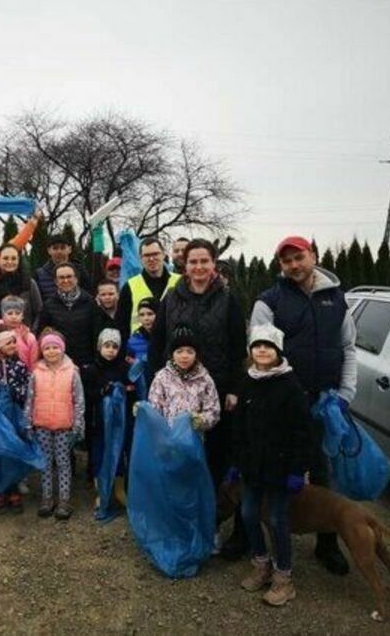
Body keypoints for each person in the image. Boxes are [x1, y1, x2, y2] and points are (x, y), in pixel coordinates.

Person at [250, 235, 356, 576]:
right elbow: (260, 353)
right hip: (283, 402)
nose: (294, 265)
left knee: (323, 471)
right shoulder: (270, 301)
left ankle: (327, 543)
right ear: (280, 266)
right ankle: (276, 533)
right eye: (286, 261)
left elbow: (349, 348)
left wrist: (345, 393)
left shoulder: (337, 300)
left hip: (325, 401)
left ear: (313, 256)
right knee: (279, 466)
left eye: (299, 258)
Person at [148, 238, 246, 556]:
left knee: (213, 461)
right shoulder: (172, 298)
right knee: (178, 459)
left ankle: (210, 524)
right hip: (175, 393)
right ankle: (178, 519)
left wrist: (232, 387)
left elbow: (236, 347)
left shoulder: (229, 300)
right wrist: (155, 384)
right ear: (184, 265)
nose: (199, 267)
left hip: (213, 392)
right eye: (193, 262)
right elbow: (158, 342)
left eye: (205, 261)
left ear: (214, 264)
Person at [231, 324, 312, 607]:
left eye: (268, 346)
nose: (262, 350)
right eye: (257, 345)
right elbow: (238, 426)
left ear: (278, 351)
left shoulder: (290, 386)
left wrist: (297, 469)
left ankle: (284, 576)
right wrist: (235, 462)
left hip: (280, 467)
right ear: (251, 351)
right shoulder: (248, 382)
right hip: (252, 465)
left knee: (277, 519)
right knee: (249, 513)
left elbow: (303, 431)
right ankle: (261, 563)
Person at [24, 331, 85, 521]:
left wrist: (78, 423)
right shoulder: (36, 372)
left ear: (62, 348)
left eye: (55, 347)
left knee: (63, 462)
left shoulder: (72, 371)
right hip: (41, 424)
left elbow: (78, 400)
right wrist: (27, 422)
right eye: (47, 348)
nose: (51, 352)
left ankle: (64, 500)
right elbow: (30, 398)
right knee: (45, 463)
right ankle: (47, 498)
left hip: (64, 425)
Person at [0, 323, 31, 513]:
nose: (13, 345)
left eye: (14, 341)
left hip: (14, 413)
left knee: (13, 450)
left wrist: (17, 393)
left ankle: (12, 487)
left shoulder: (20, 365)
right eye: (8, 343)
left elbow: (27, 388)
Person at [84, 328, 132, 490]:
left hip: (119, 421)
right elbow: (88, 394)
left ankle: (118, 487)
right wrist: (102, 391)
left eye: (114, 347)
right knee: (100, 451)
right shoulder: (92, 369)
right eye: (107, 346)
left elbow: (130, 388)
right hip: (99, 421)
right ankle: (100, 488)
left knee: (118, 451)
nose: (111, 351)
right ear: (100, 347)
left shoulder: (123, 368)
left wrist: (127, 389)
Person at [37, 263, 100, 369]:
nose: (65, 280)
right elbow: (43, 334)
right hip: (59, 364)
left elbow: (96, 332)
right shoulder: (48, 305)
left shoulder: (90, 302)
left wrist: (95, 362)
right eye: (61, 277)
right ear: (56, 281)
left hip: (86, 363)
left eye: (69, 276)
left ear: (76, 279)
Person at [118, 238, 180, 342]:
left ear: (163, 254)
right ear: (140, 258)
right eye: (146, 255)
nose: (151, 259)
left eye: (155, 254)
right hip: (140, 350)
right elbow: (121, 324)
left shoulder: (180, 282)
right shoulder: (130, 286)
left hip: (174, 348)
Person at [0, 242, 42, 329]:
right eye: (5, 258)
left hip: (25, 338)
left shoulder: (29, 283)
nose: (10, 262)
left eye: (13, 258)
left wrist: (33, 331)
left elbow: (39, 312)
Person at [34, 233, 93, 300]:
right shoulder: (39, 274)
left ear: (69, 249)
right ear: (49, 251)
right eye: (55, 248)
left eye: (63, 248)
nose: (59, 251)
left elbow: (89, 295)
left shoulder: (80, 270)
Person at [0, 295, 39, 371]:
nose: (14, 317)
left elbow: (33, 361)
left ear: (22, 316)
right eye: (10, 313)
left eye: (17, 313)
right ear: (3, 315)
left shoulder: (28, 337)